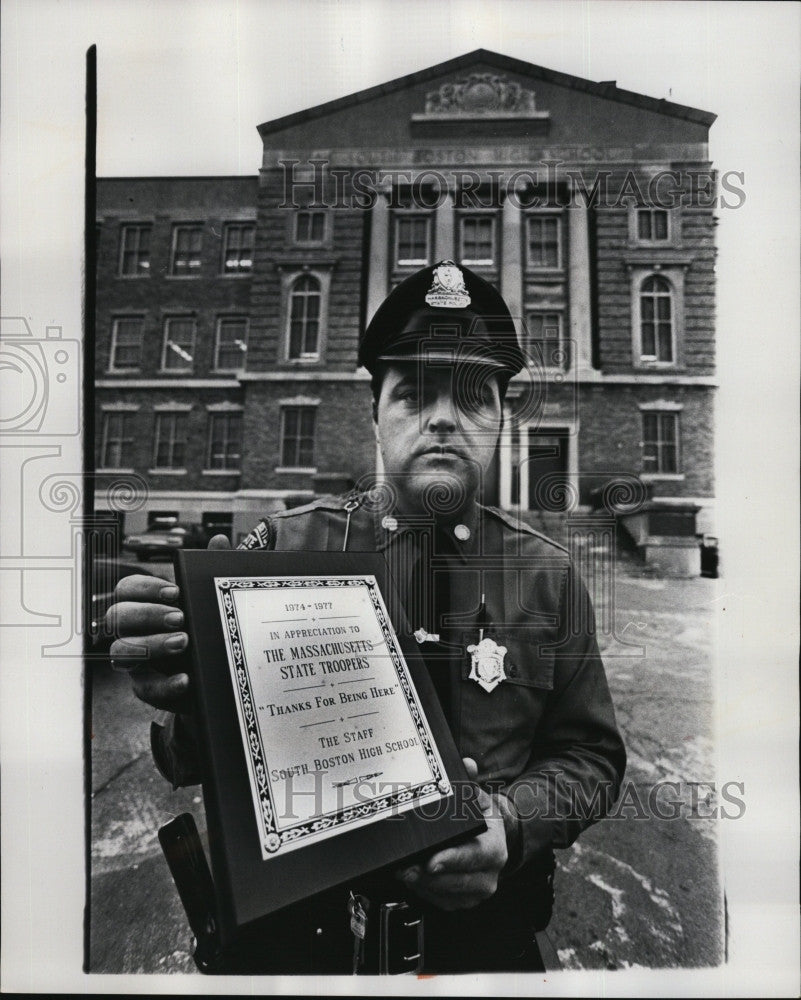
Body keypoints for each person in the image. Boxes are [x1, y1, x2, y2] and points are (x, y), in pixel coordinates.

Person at [107, 261, 626, 975]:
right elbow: (183, 761)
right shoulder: (281, 550)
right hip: (298, 952)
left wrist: (512, 823)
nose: (442, 417)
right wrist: (187, 690)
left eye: (473, 398)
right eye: (412, 394)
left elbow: (591, 759)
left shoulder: (548, 576)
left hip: (483, 949)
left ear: (500, 419)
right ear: (373, 413)